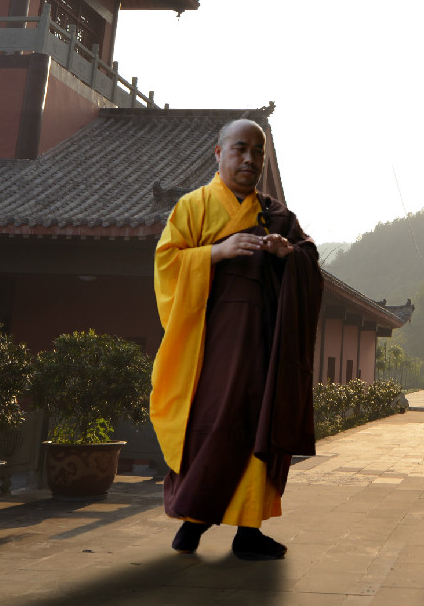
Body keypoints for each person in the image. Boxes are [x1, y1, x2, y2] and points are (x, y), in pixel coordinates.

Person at [150, 118, 322, 561]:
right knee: (213, 426)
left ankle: (248, 531)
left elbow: (309, 260)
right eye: (240, 149)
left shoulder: (280, 216)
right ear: (219, 153)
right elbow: (167, 264)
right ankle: (192, 520)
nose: (250, 159)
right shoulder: (193, 207)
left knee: (259, 429)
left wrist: (288, 256)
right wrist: (215, 253)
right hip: (213, 345)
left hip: (267, 345)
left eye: (258, 153)